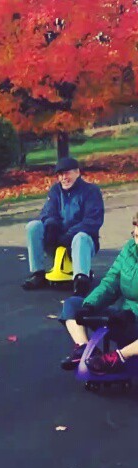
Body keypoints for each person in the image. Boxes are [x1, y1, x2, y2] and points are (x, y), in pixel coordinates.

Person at [59, 212, 138, 373]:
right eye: (136, 235)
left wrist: (132, 314)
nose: (137, 241)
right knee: (73, 305)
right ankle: (85, 349)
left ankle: (118, 357)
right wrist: (90, 305)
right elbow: (111, 282)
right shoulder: (130, 249)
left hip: (132, 320)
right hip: (123, 319)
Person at [22, 157, 104, 296]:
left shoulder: (91, 191)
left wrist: (70, 234)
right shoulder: (55, 190)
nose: (63, 178)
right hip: (57, 239)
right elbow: (48, 212)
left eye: (67, 173)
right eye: (60, 175)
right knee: (33, 226)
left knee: (80, 236)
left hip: (83, 242)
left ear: (77, 172)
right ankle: (38, 273)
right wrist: (51, 226)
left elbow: (93, 220)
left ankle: (81, 279)